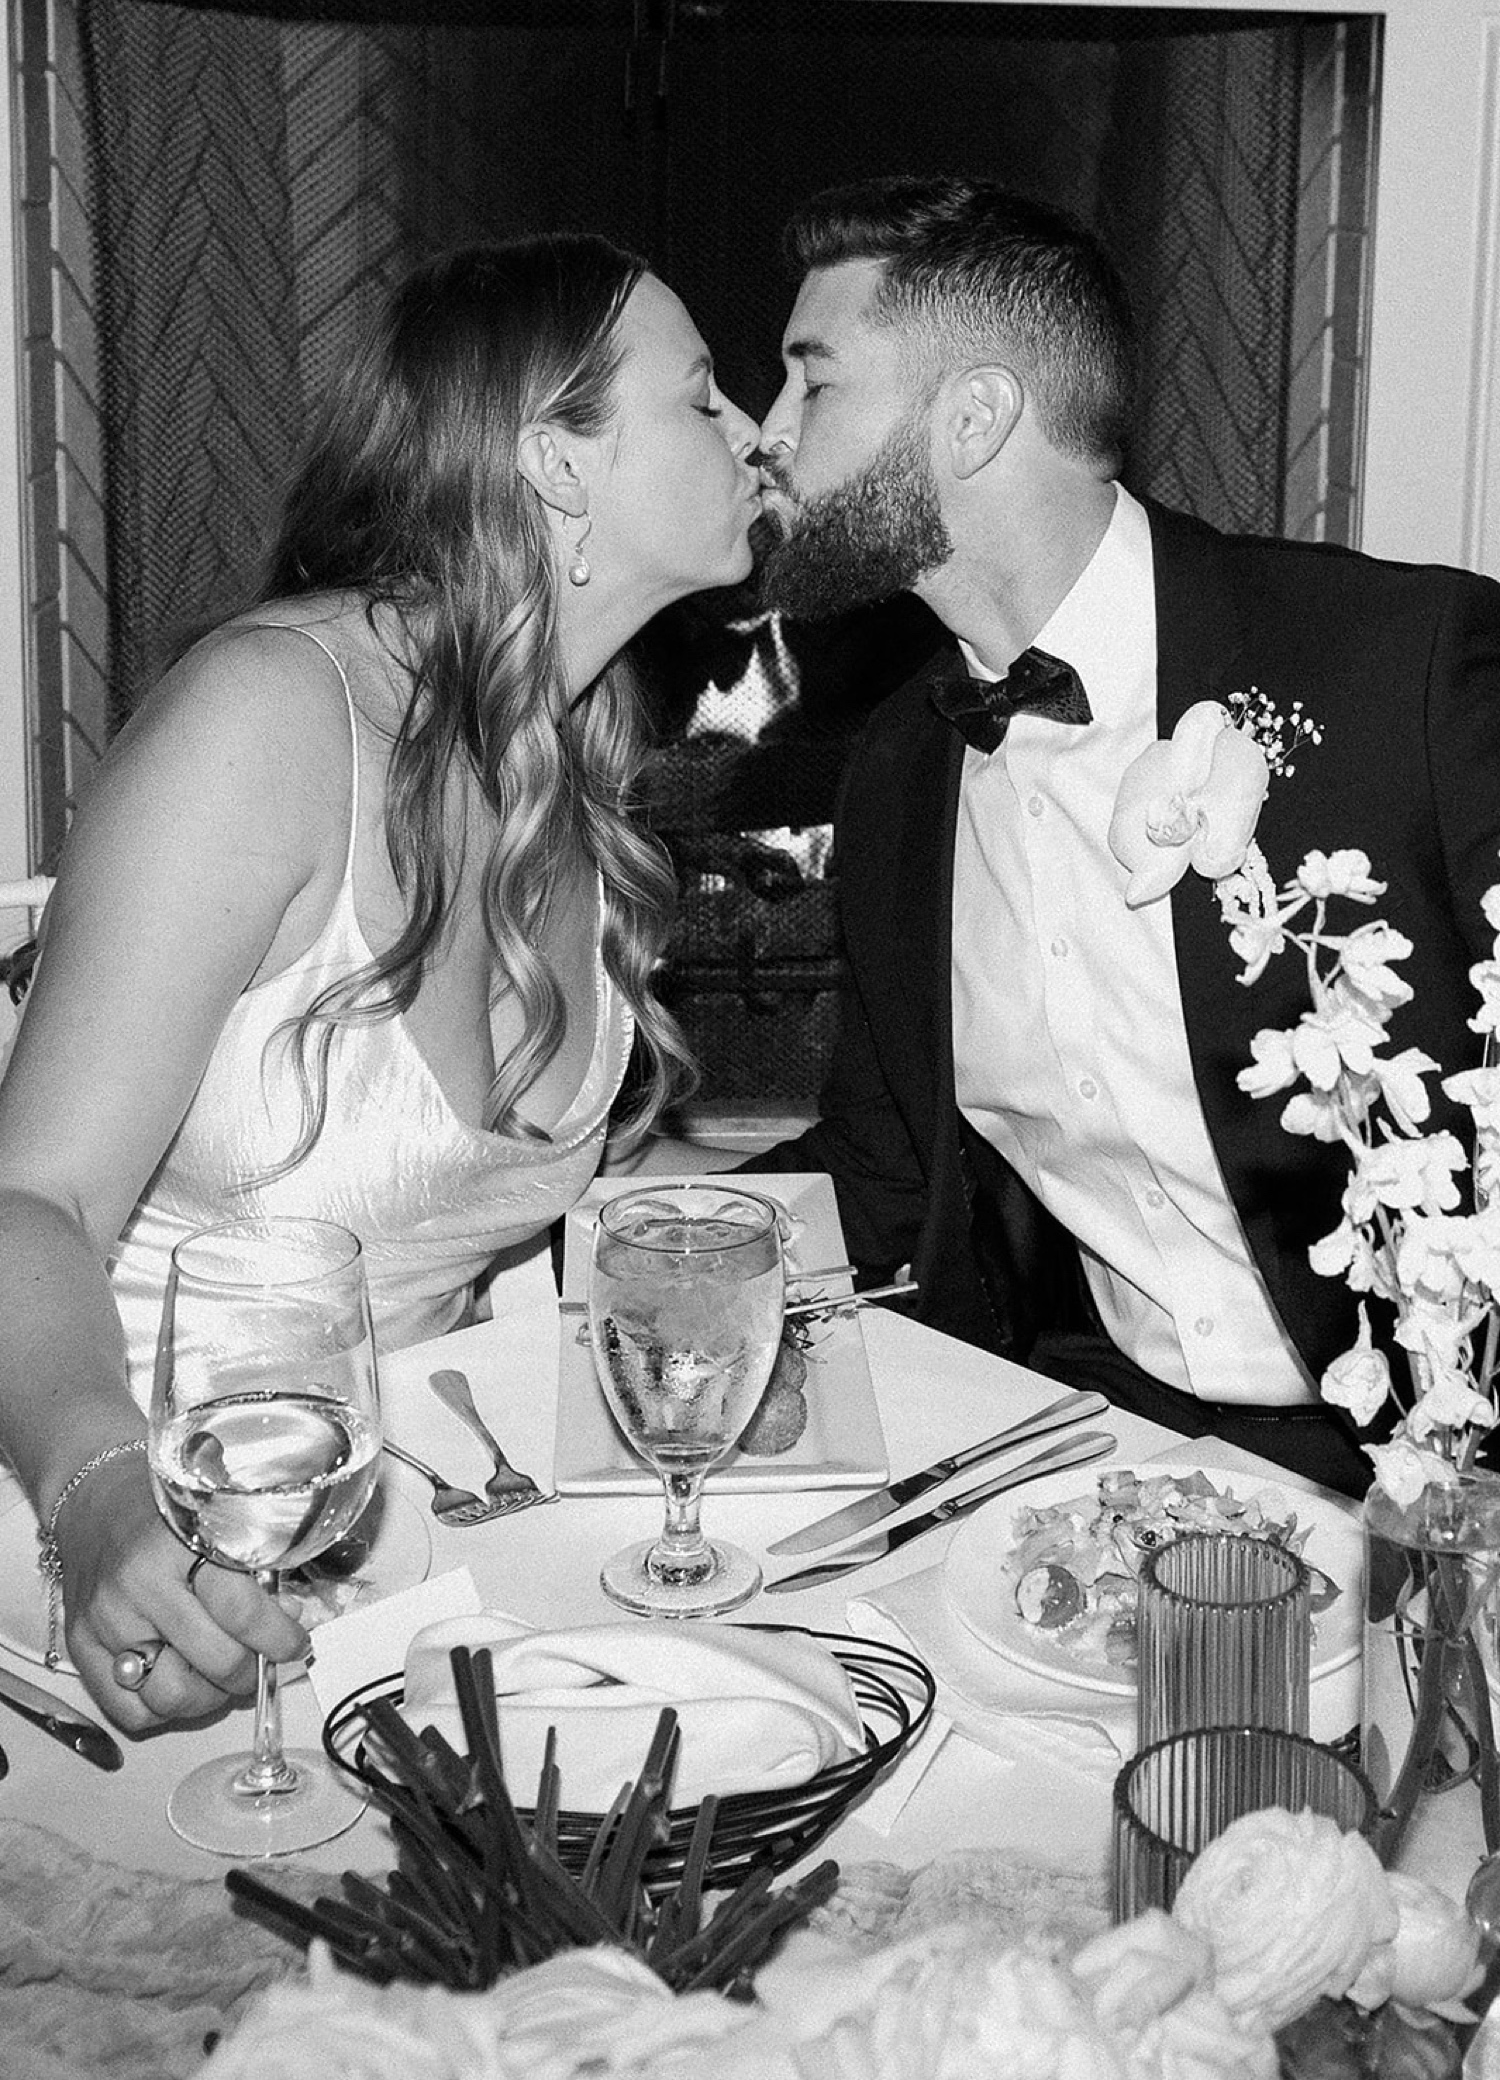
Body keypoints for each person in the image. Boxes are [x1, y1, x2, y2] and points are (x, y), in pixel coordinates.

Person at [0, 235, 762, 1727]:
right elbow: (33, 1201)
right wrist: (100, 1507)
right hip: (107, 1558)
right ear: (554, 463)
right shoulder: (271, 721)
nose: (752, 433)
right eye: (701, 397)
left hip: (399, 1567)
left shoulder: (574, 766)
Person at [748, 172, 1500, 1498]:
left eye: (813, 382)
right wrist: (611, 1245)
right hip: (1098, 1464)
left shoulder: (1408, 669)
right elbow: (879, 1174)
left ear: (974, 417)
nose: (767, 433)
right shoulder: (900, 778)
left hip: (1450, 1473)